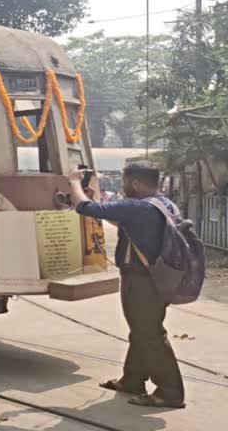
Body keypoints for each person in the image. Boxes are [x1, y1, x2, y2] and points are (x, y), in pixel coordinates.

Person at [69, 161, 185, 409]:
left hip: (141, 281)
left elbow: (83, 207)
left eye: (123, 181)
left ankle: (170, 391)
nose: (122, 186)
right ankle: (132, 380)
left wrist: (73, 182)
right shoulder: (163, 204)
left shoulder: (138, 206)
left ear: (134, 182)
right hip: (159, 279)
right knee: (142, 329)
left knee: (149, 333)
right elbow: (125, 223)